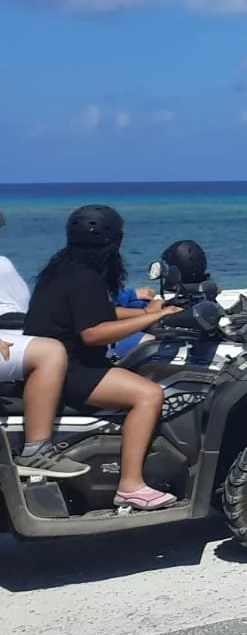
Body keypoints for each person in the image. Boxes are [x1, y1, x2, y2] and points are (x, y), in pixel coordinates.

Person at [23, 205, 182, 509]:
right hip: (71, 369)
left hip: (54, 364)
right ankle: (131, 485)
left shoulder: (60, 272)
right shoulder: (86, 278)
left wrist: (148, 312)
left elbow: (94, 312)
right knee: (148, 394)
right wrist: (147, 320)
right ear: (115, 243)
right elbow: (93, 333)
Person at [1, 211, 90, 479]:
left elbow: (23, 310)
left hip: (14, 333)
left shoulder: (3, 263)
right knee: (49, 353)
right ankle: (35, 450)